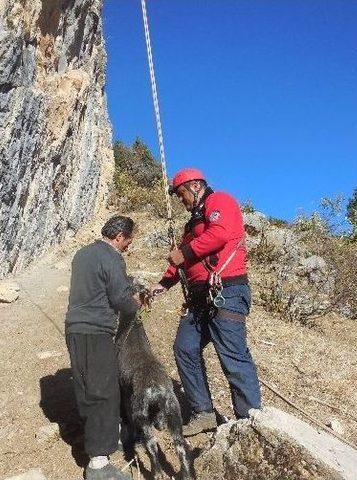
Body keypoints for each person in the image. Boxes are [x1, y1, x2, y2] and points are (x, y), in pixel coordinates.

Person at [151, 168, 262, 436]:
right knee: (185, 347)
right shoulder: (192, 226)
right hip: (200, 298)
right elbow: (181, 262)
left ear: (195, 187)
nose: (180, 200)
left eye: (181, 194)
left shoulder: (219, 201)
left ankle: (249, 422)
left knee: (233, 357)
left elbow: (220, 234)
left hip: (226, 291)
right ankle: (203, 412)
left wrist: (186, 252)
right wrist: (163, 284)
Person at [65, 215, 139, 480]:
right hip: (96, 332)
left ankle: (106, 436)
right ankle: (98, 464)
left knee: (87, 387)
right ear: (119, 236)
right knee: (103, 392)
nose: (128, 246)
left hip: (74, 328)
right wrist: (137, 304)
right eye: (128, 241)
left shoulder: (82, 253)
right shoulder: (112, 257)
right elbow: (119, 297)